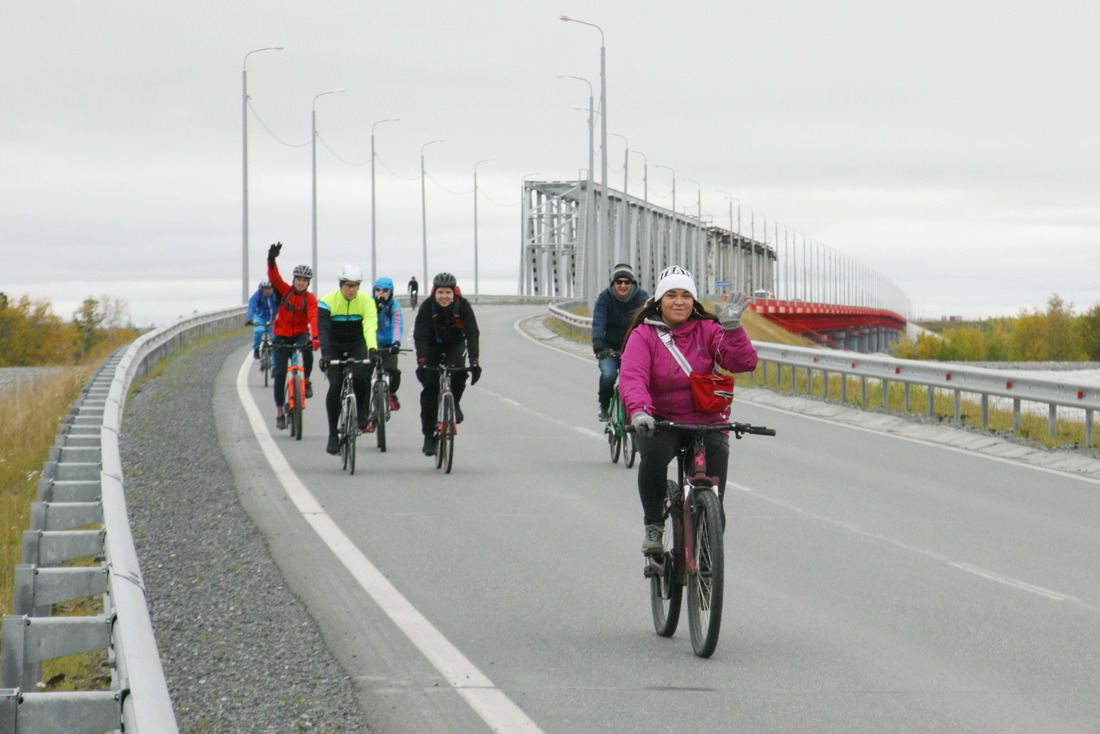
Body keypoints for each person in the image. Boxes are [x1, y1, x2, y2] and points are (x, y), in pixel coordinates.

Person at [618, 265, 757, 555]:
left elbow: (743, 363)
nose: (679, 301)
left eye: (685, 295)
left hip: (707, 421)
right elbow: (633, 377)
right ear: (659, 300)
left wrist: (734, 331)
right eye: (671, 295)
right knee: (653, 457)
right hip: (659, 421)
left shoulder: (708, 330)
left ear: (694, 301)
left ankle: (708, 546)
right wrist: (640, 412)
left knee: (714, 496)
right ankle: (654, 526)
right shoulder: (644, 335)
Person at [413, 272, 481, 456]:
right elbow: (419, 336)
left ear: (454, 293)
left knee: (459, 372)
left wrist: (475, 361)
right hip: (432, 347)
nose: (444, 296)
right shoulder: (427, 307)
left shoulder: (463, 305)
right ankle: (428, 435)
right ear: (435, 292)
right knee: (430, 389)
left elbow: (472, 333)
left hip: (454, 344)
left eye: (448, 293)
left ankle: (455, 402)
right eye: (441, 292)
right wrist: (422, 362)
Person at [318, 265, 379, 455]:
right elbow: (324, 331)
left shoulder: (367, 302)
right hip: (335, 346)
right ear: (341, 285)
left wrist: (372, 349)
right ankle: (332, 435)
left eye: (356, 286)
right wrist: (325, 354)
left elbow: (369, 327)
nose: (351, 290)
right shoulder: (327, 302)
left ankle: (361, 412)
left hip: (356, 343)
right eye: (348, 285)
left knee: (361, 375)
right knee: (335, 385)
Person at [267, 242, 320, 430]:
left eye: (305, 280)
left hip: (300, 334)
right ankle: (280, 412)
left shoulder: (310, 298)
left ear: (308, 283)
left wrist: (315, 337)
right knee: (280, 374)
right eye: (298, 279)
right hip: (281, 336)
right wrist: (271, 258)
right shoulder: (285, 291)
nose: (301, 282)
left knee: (307, 350)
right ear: (294, 279)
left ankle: (306, 379)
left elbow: (314, 317)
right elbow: (274, 276)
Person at [592, 262, 649, 421]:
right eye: (619, 282)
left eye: (627, 282)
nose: (623, 285)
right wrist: (598, 343)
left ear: (632, 283)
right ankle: (604, 405)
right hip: (609, 347)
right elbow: (598, 321)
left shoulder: (642, 297)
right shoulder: (605, 298)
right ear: (614, 283)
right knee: (609, 375)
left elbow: (648, 321)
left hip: (633, 347)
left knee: (637, 380)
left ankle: (639, 409)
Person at [372, 276, 405, 419]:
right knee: (363, 375)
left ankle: (391, 393)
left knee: (393, 372)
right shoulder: (370, 304)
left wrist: (395, 342)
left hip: (388, 345)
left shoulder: (394, 306)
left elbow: (397, 324)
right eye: (378, 290)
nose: (381, 293)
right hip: (371, 344)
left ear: (391, 292)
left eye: (385, 290)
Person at [245, 280, 278, 359]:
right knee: (259, 331)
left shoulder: (277, 295)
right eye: (266, 289)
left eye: (270, 288)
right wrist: (249, 318)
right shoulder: (258, 294)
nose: (268, 291)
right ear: (262, 289)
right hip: (260, 317)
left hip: (274, 319)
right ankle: (256, 348)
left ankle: (274, 366)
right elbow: (252, 306)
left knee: (275, 340)